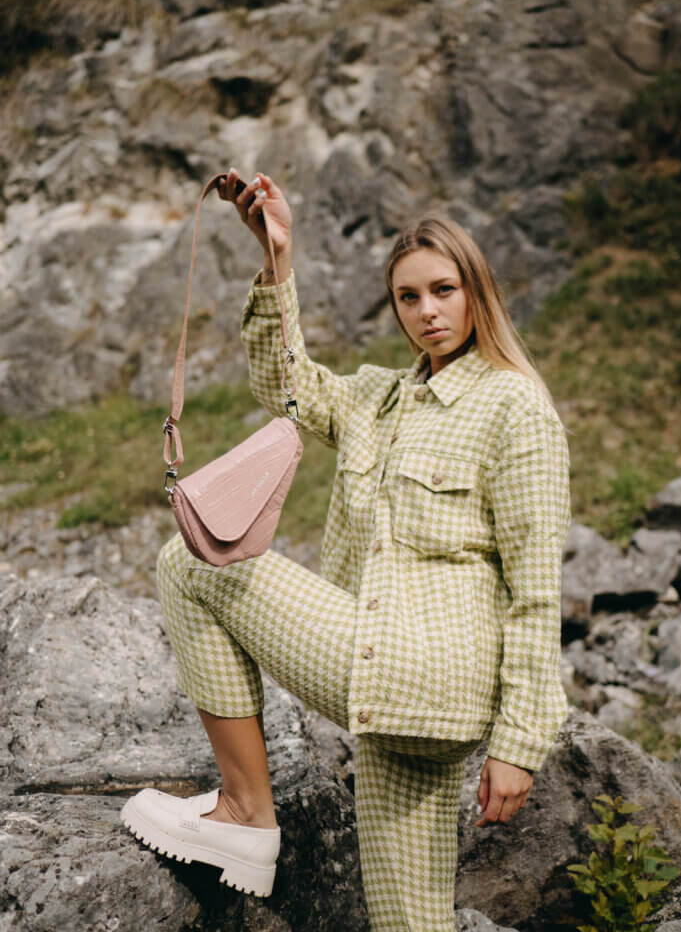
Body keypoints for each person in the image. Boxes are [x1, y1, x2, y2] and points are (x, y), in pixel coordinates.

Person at [121, 169, 571, 931]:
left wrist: (521, 744)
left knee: (191, 561)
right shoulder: (377, 398)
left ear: (477, 292)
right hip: (405, 708)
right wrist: (277, 261)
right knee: (409, 923)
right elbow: (286, 385)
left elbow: (535, 591)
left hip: (427, 671)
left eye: (444, 290)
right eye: (408, 297)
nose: (428, 311)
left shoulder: (514, 405)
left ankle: (245, 811)